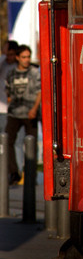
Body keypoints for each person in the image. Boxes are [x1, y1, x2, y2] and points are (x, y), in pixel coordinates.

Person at [5, 44, 41, 185]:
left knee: (31, 143)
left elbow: (39, 92)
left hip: (30, 113)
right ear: (18, 58)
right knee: (7, 141)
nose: (26, 60)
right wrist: (10, 99)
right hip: (14, 113)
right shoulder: (12, 73)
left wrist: (34, 108)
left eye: (28, 57)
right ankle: (14, 173)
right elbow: (8, 89)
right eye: (24, 57)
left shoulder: (34, 72)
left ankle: (30, 173)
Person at [0, 40, 18, 133]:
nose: (9, 57)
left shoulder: (18, 67)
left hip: (13, 111)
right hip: (1, 108)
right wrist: (3, 54)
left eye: (12, 54)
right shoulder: (2, 65)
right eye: (8, 54)